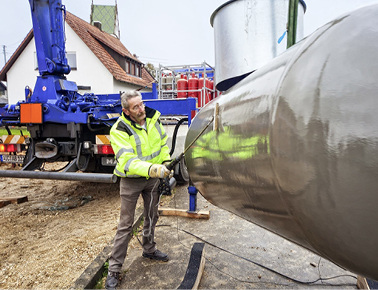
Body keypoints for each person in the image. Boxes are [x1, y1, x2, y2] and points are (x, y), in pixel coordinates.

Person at [105, 90, 171, 289]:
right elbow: (128, 161)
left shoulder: (153, 118)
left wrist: (166, 161)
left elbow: (162, 144)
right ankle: (114, 270)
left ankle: (149, 249)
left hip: (152, 179)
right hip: (131, 181)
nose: (141, 109)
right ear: (126, 111)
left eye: (141, 104)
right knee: (126, 225)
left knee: (152, 215)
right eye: (136, 107)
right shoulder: (119, 129)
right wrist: (152, 169)